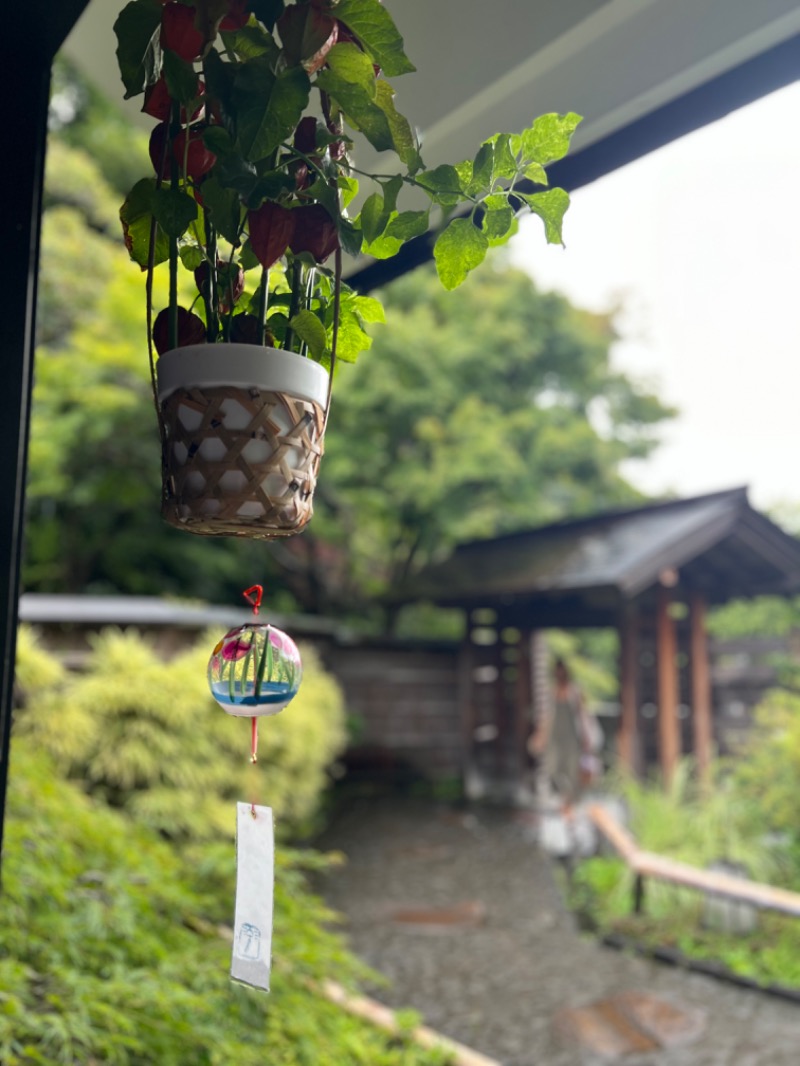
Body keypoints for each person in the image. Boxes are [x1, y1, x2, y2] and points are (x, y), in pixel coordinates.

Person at [529, 658, 601, 817]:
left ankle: (570, 805)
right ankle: (565, 800)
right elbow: (546, 717)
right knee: (552, 769)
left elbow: (583, 715)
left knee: (573, 771)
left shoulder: (575, 691)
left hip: (572, 738)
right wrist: (540, 736)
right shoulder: (551, 692)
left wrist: (587, 737)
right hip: (555, 738)